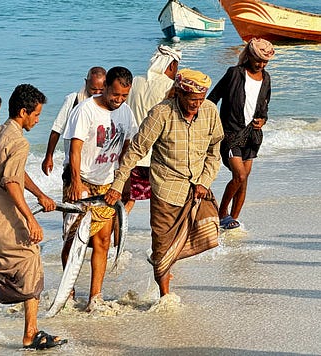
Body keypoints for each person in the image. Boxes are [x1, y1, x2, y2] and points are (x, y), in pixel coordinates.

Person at [105, 68, 224, 300]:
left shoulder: (209, 111)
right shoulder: (161, 113)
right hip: (166, 189)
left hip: (196, 188)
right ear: (179, 93)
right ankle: (165, 294)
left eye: (200, 100)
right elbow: (136, 150)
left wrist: (205, 180)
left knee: (208, 234)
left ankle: (164, 264)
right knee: (162, 245)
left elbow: (214, 151)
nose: (196, 105)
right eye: (192, 100)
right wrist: (118, 184)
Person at [0, 84, 67, 350]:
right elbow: (11, 182)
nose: (38, 120)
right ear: (23, 111)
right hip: (5, 219)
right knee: (31, 262)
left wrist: (40, 194)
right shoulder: (19, 141)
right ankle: (30, 332)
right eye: (36, 115)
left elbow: (9, 173)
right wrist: (30, 219)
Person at [61, 66, 137, 310]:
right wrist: (75, 182)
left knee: (103, 240)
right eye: (115, 94)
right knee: (74, 240)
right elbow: (75, 149)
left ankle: (96, 297)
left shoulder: (125, 112)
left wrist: (121, 179)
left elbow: (128, 145)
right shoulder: (85, 110)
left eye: (124, 95)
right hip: (81, 180)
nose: (119, 100)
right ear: (104, 87)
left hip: (107, 184)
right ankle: (68, 291)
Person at [207, 38, 274, 230]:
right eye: (258, 60)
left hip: (252, 136)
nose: (261, 65)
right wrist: (211, 127)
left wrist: (263, 120)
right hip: (230, 134)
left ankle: (232, 220)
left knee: (244, 181)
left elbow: (264, 106)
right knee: (240, 176)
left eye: (265, 62)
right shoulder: (234, 73)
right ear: (249, 56)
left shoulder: (266, 78)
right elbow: (212, 99)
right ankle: (222, 214)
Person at [124, 45, 182, 212]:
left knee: (127, 200)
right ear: (171, 65)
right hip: (157, 155)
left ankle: (114, 235)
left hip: (133, 153)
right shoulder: (170, 87)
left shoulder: (135, 81)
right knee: (160, 202)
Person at [41, 66, 106, 176]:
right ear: (86, 82)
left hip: (99, 168)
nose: (97, 92)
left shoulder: (108, 105)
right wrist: (49, 156)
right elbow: (56, 130)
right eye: (93, 89)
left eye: (101, 89)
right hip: (73, 167)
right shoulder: (73, 100)